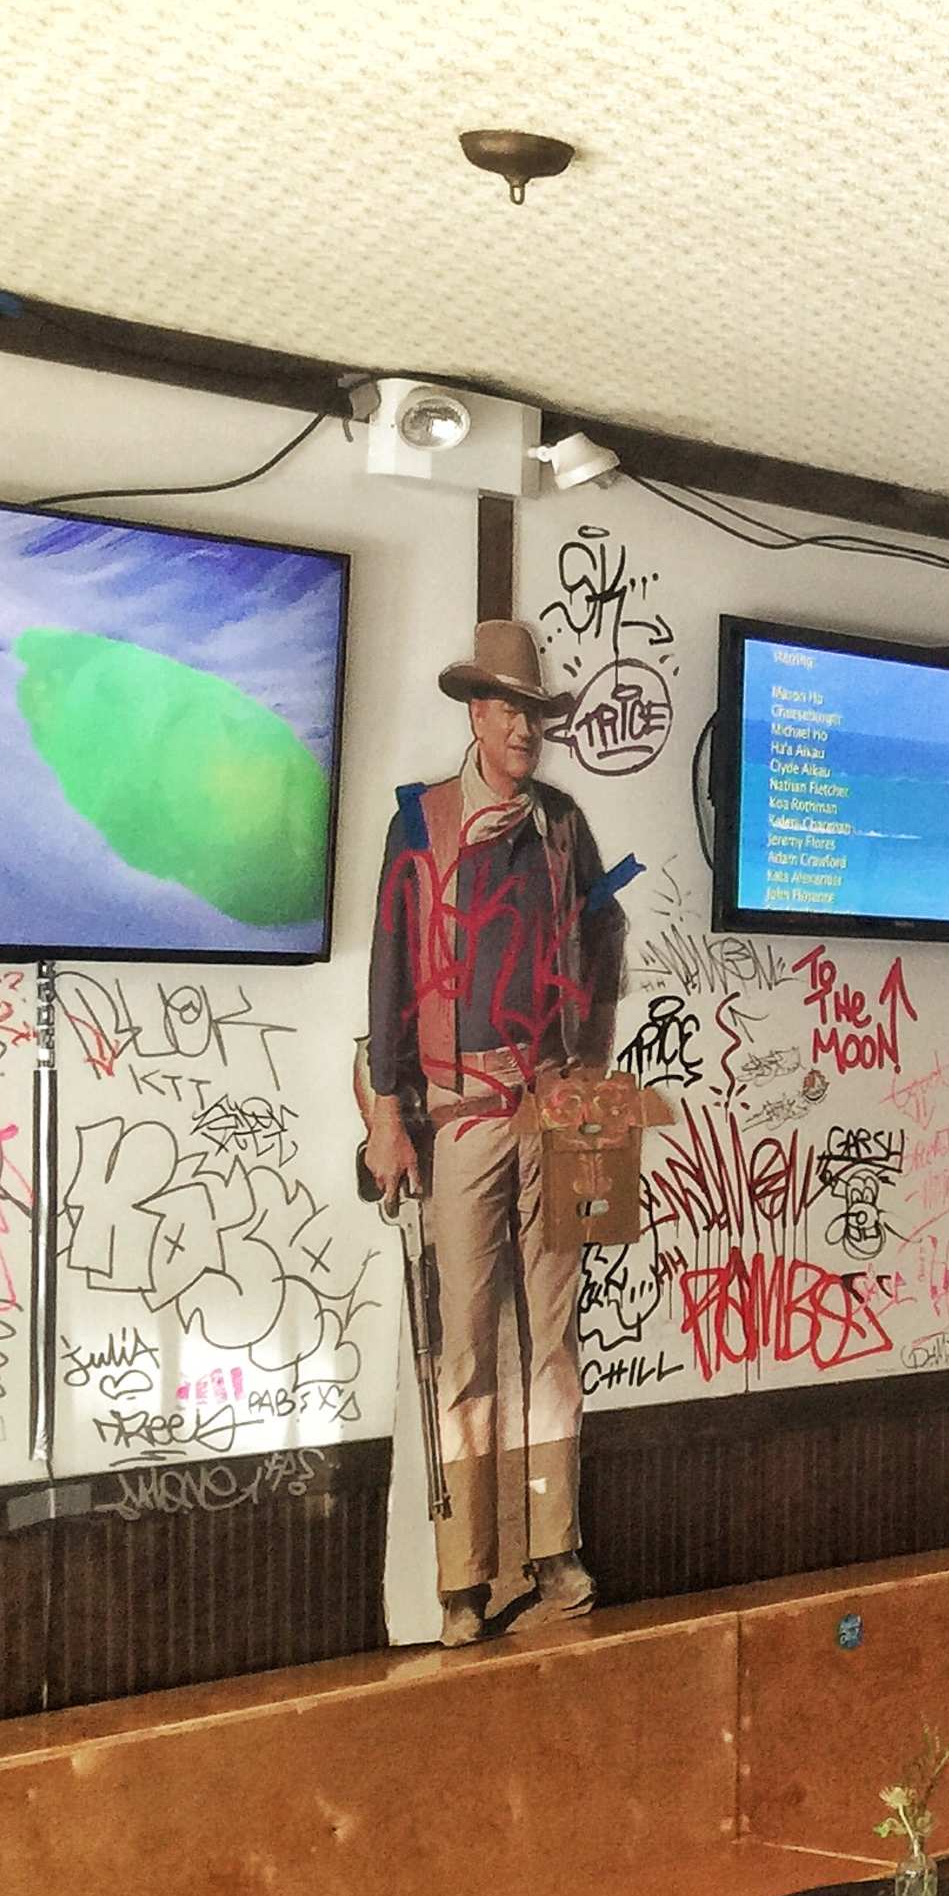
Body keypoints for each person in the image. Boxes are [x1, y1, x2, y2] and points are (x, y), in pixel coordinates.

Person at [363, 619, 627, 1646]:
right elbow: (388, 970)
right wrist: (390, 1113)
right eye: (508, 710)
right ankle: (464, 1577)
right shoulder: (419, 826)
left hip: (559, 1113)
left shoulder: (564, 826)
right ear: (476, 715)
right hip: (459, 1114)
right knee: (466, 1352)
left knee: (553, 1347)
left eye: (535, 713)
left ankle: (554, 1544)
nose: (524, 729)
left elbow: (605, 936)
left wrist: (586, 1075)